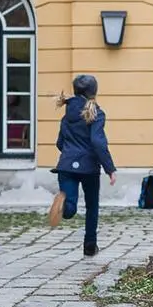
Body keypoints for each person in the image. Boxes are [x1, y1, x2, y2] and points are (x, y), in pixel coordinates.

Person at [50, 74, 117, 256]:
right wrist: (110, 169)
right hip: (89, 167)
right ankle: (89, 245)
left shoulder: (67, 114)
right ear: (94, 91)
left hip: (66, 166)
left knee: (71, 206)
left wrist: (70, 153)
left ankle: (64, 205)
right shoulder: (96, 113)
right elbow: (98, 142)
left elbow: (59, 143)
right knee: (91, 206)